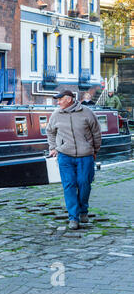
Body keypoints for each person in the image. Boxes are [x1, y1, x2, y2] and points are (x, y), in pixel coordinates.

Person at [46, 90, 102, 230]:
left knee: (84, 183)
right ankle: (73, 217)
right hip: (65, 155)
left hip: (85, 155)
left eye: (60, 100)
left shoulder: (87, 112)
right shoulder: (56, 114)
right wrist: (53, 147)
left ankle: (83, 210)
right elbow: (50, 131)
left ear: (69, 99)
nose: (57, 102)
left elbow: (96, 132)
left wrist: (95, 150)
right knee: (69, 185)